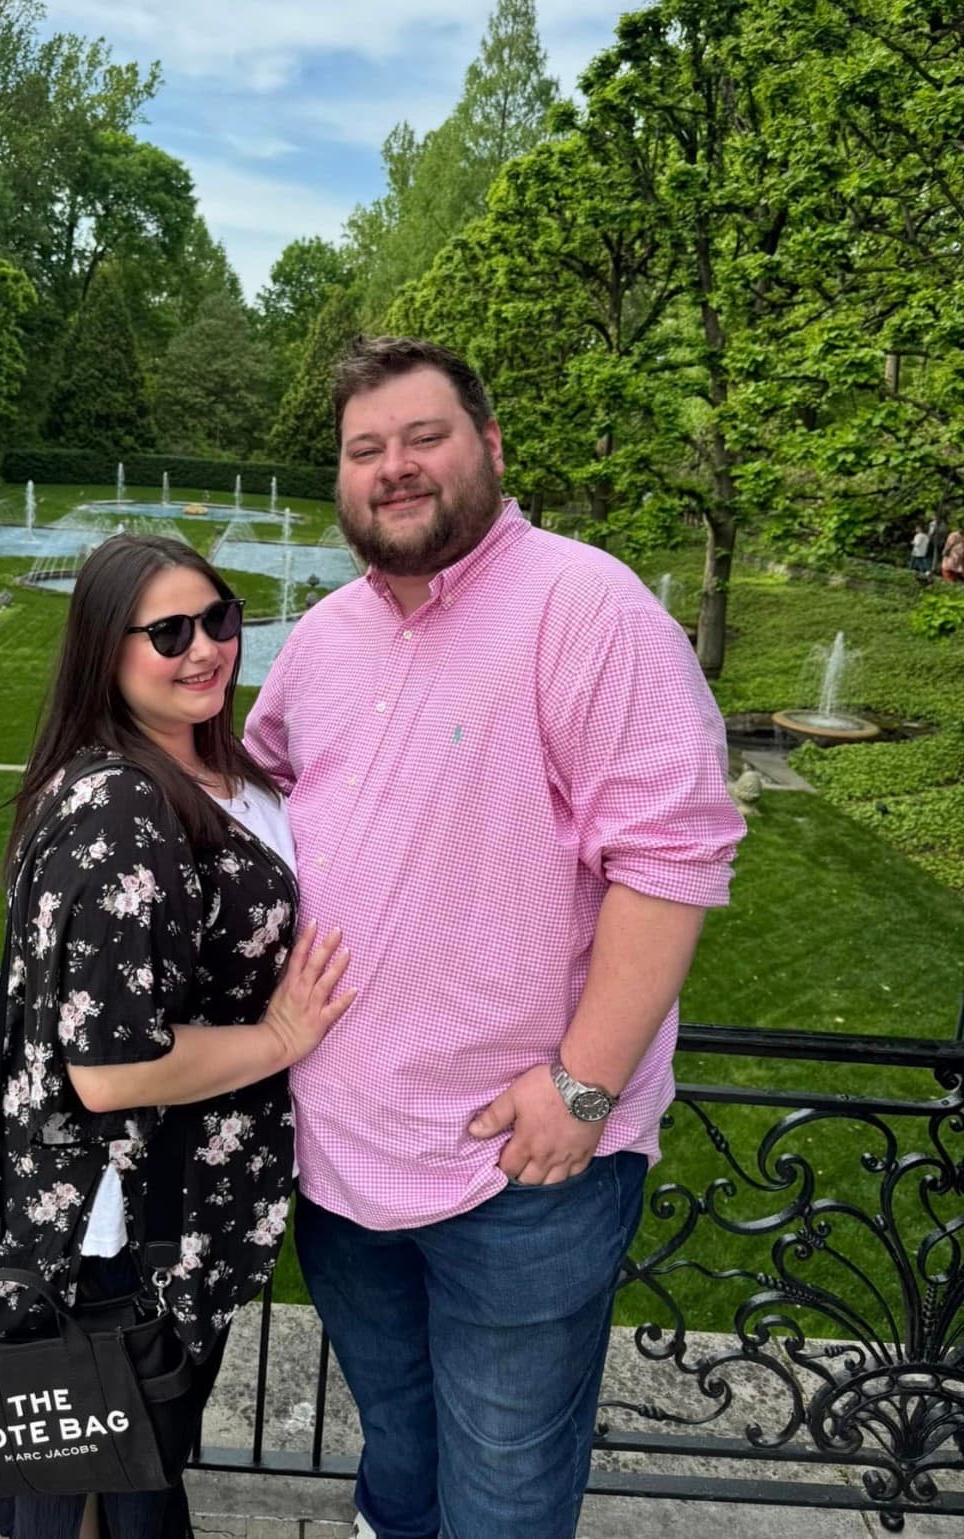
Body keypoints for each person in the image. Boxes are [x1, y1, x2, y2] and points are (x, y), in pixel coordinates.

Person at [244, 336, 747, 1539]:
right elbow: (243, 792)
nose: (395, 468)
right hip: (342, 1158)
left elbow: (674, 856)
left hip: (519, 1170)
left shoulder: (587, 606)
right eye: (366, 449)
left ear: (490, 448)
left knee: (505, 1487)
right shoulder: (323, 636)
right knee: (400, 1451)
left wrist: (582, 1088)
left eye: (425, 437)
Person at [0, 534, 353, 1539]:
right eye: (169, 632)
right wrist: (280, 1037)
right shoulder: (123, 810)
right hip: (126, 1223)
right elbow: (108, 1069)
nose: (206, 650)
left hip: (193, 1202)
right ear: (107, 650)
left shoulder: (219, 767)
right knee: (119, 1481)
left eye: (220, 618)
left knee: (131, 1465)